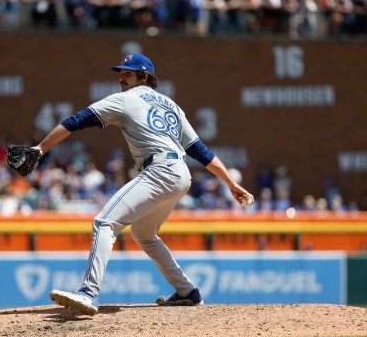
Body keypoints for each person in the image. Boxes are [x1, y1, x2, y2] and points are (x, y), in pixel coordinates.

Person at [34, 53, 254, 315]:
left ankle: (88, 293)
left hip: (160, 170)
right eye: (121, 73)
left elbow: (76, 121)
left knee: (104, 222)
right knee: (143, 234)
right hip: (180, 174)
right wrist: (230, 183)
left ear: (144, 76)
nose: (121, 77)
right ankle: (187, 292)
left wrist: (40, 148)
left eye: (127, 73)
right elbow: (200, 151)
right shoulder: (172, 106)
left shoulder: (126, 99)